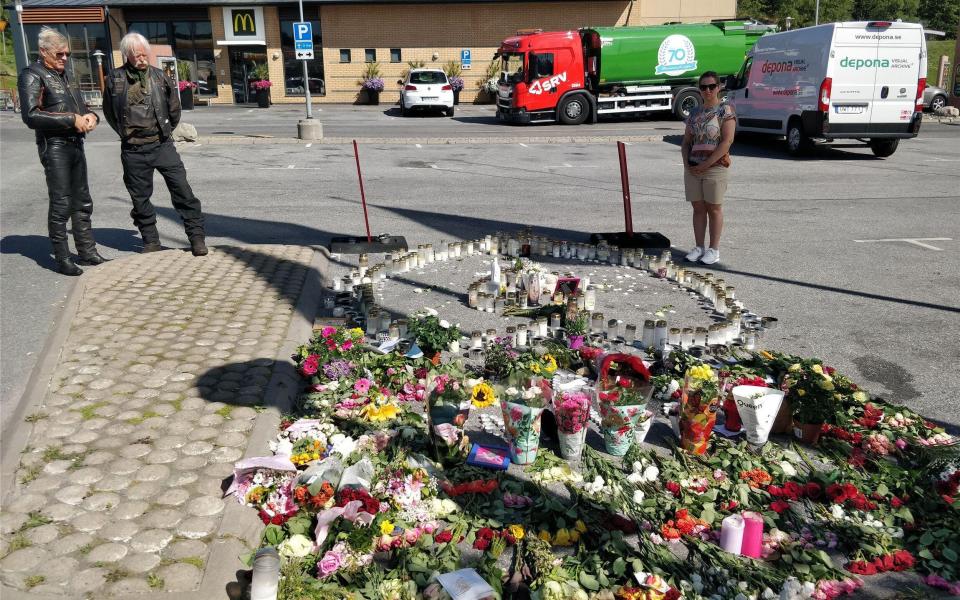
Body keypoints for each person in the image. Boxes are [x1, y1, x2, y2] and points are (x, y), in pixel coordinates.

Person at [103, 32, 207, 256]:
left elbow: (174, 108)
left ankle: (196, 237)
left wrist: (166, 130)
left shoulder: (160, 77)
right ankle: (150, 240)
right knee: (139, 197)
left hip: (162, 145)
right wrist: (125, 134)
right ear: (126, 55)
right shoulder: (115, 78)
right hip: (133, 149)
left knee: (182, 190)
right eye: (136, 55)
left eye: (144, 54)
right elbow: (109, 112)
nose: (142, 58)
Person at [18, 27, 108, 276]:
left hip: (76, 143)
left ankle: (87, 251)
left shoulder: (65, 76)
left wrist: (91, 117)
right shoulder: (32, 75)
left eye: (67, 54)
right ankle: (62, 257)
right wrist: (71, 119)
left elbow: (84, 107)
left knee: (83, 200)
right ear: (44, 51)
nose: (65, 58)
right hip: (55, 146)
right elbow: (31, 115)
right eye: (60, 54)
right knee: (61, 203)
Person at [680, 71, 736, 266]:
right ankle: (699, 247)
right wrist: (687, 163)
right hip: (694, 167)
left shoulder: (725, 110)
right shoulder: (695, 113)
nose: (707, 90)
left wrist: (707, 164)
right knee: (698, 207)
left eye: (711, 86)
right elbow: (687, 141)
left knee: (714, 208)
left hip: (715, 167)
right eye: (703, 87)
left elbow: (726, 141)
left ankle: (714, 249)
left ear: (718, 87)